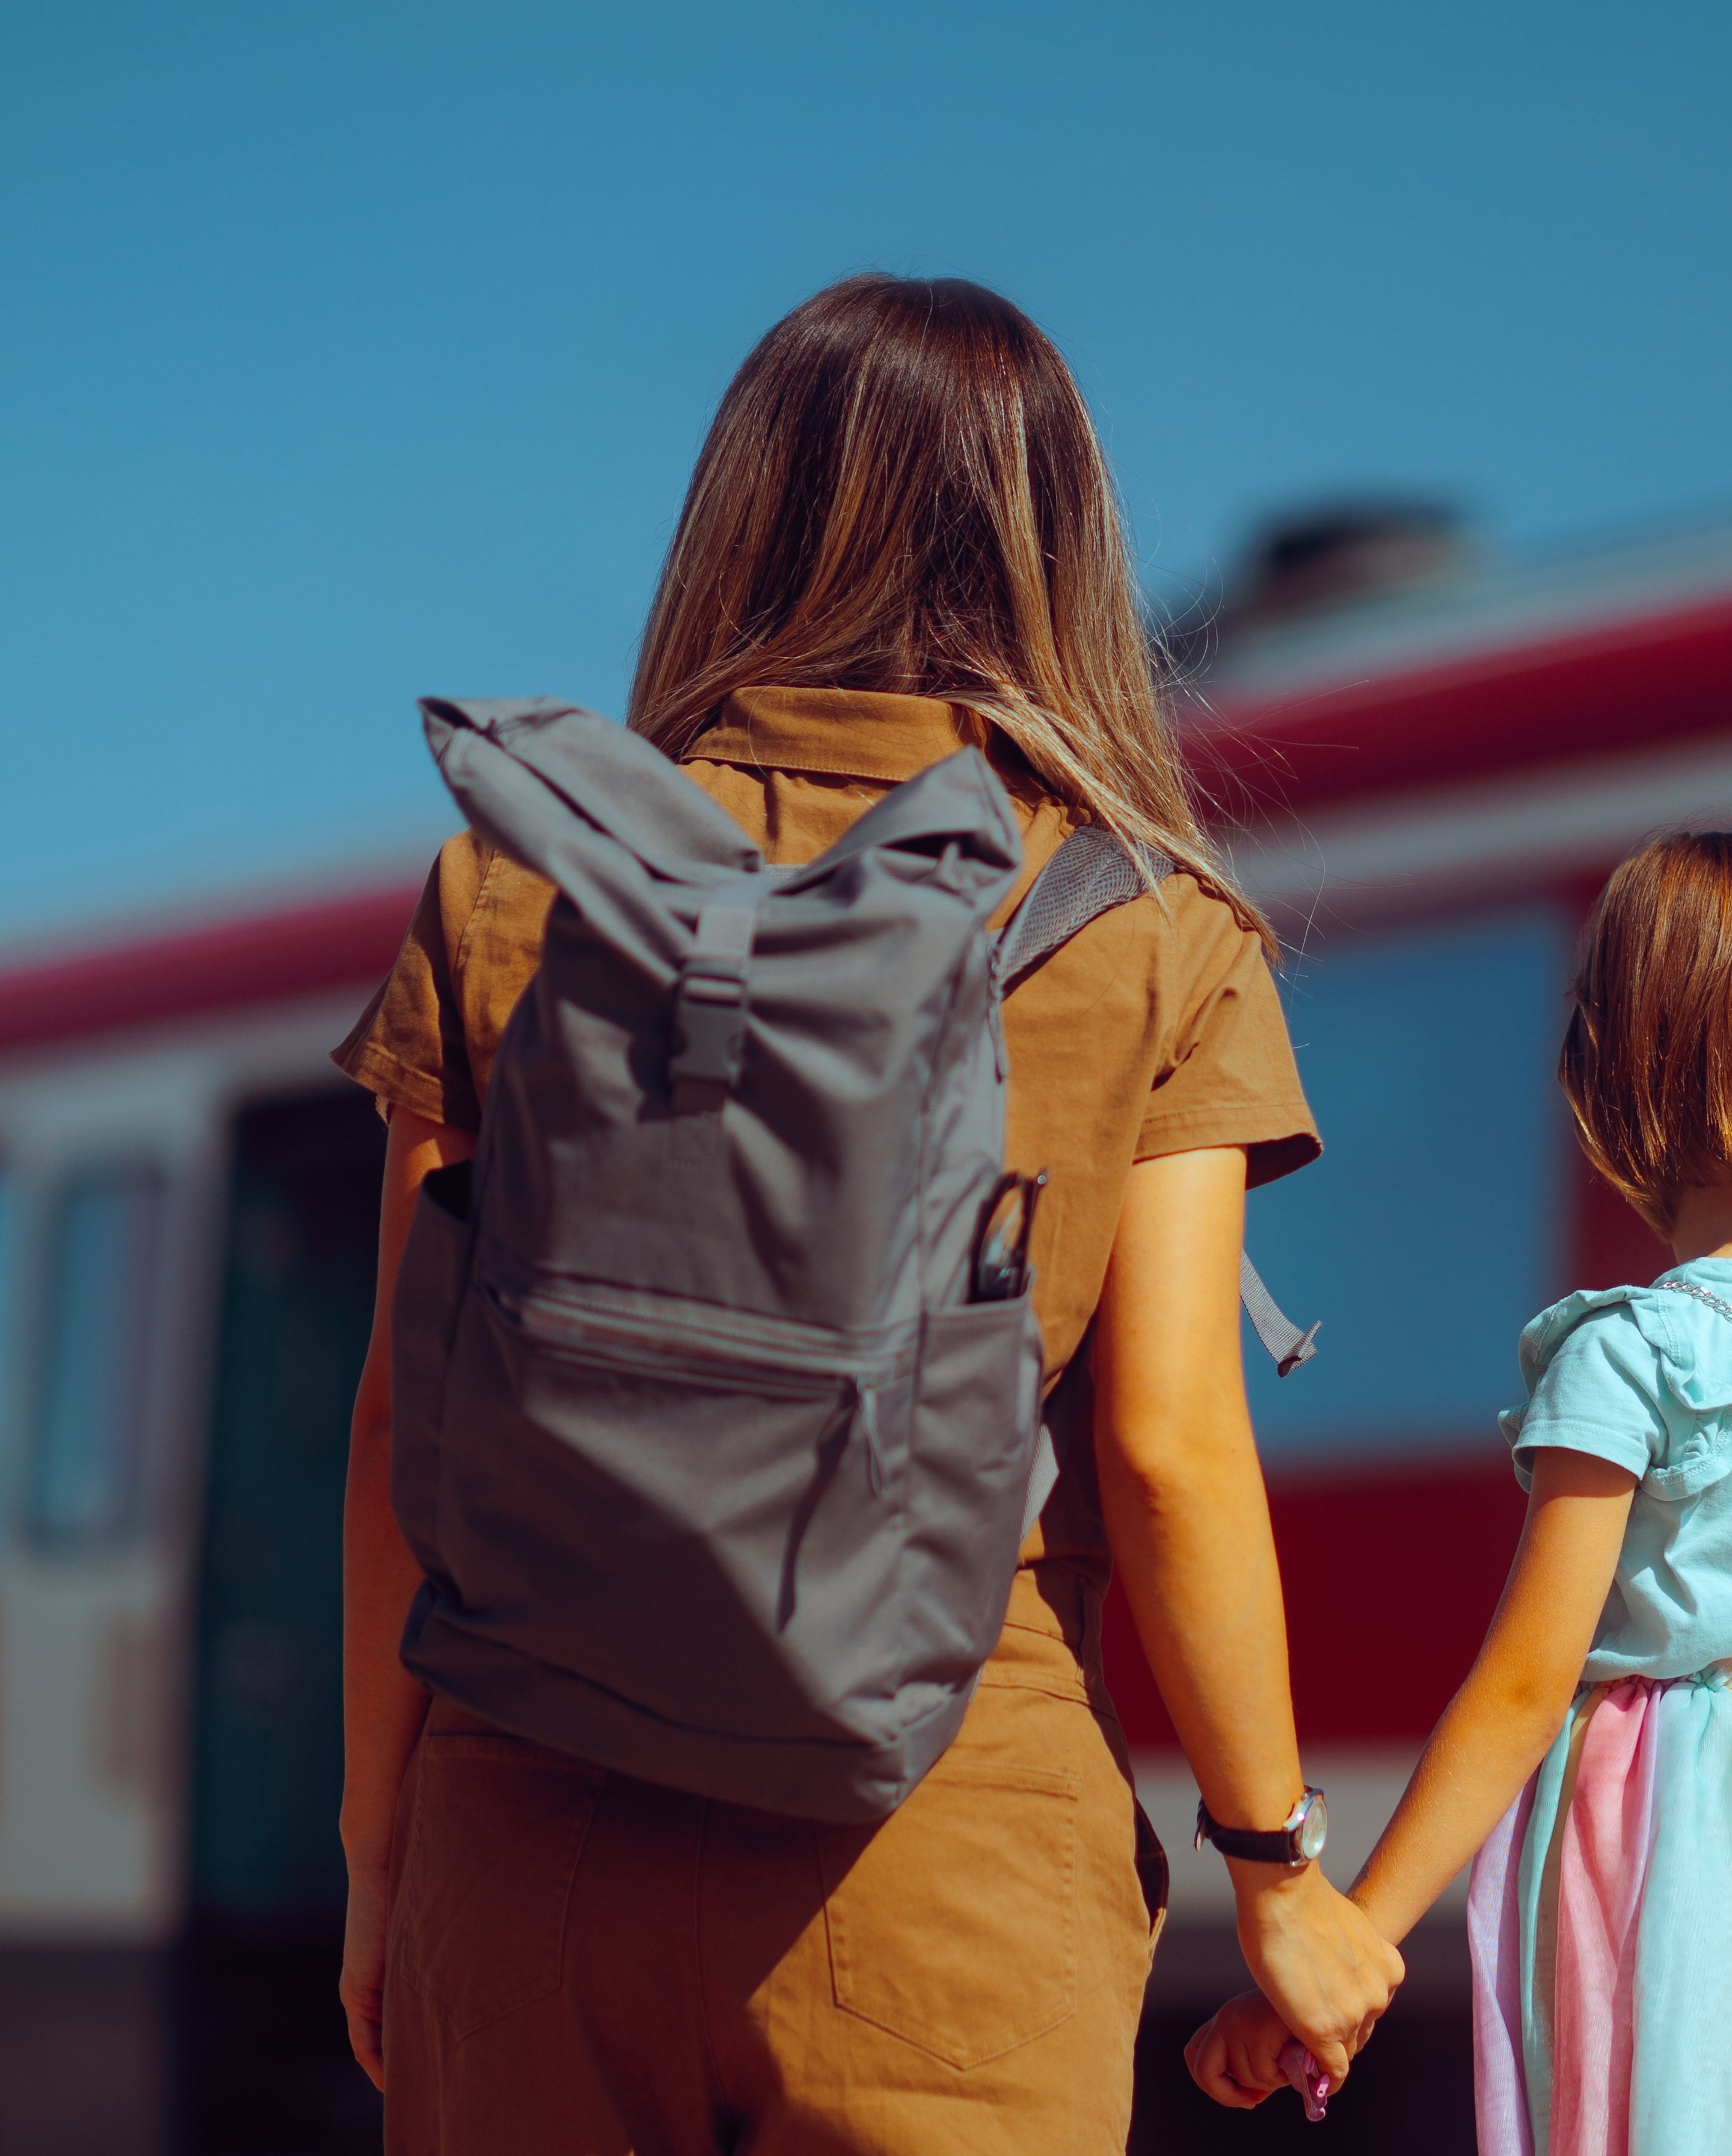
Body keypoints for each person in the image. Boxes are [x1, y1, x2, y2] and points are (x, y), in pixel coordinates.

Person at [331, 273, 1402, 2155]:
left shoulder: (514, 885)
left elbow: (399, 1433)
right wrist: (1280, 1867)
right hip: (948, 1847)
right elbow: (1163, 1452)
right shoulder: (1150, 926)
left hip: (533, 1840)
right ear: (1063, 544)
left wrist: (383, 1852)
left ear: (744, 514)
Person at [1188, 808, 1732, 2154]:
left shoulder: (1637, 1352)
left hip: (1679, 1853)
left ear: (1622, 1071)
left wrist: (1340, 1948)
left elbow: (1525, 1687)